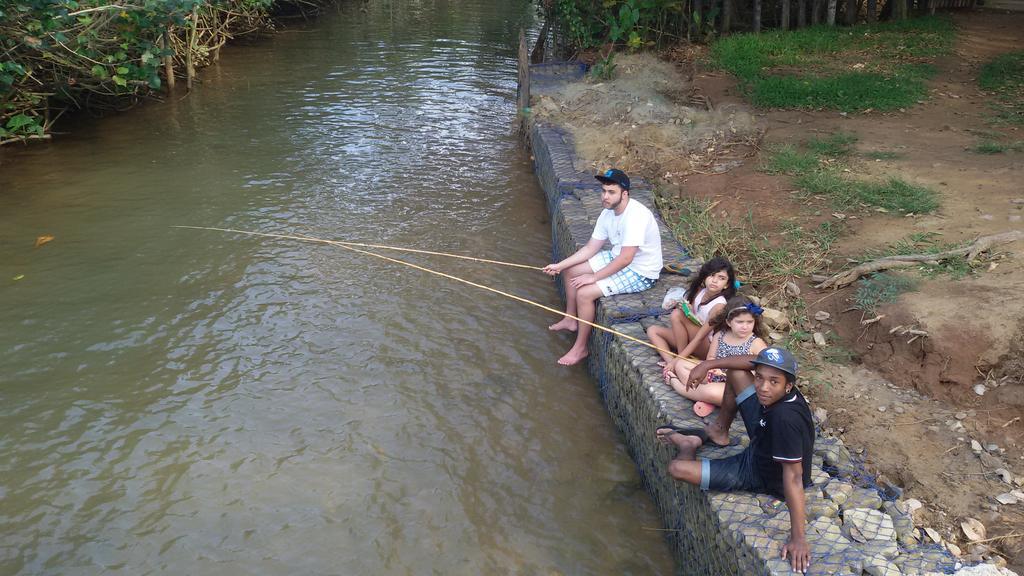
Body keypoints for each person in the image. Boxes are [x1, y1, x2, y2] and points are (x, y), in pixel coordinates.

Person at [654, 347, 814, 573]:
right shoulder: (778, 393)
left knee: (677, 468)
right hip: (761, 439)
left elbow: (794, 476)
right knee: (736, 372)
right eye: (759, 378)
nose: (763, 387)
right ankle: (719, 431)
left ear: (788, 385)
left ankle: (688, 445)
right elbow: (749, 363)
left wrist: (798, 538)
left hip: (758, 472)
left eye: (773, 382)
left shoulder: (784, 419)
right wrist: (707, 365)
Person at [544, 169, 663, 366]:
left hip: (641, 271)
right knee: (571, 271)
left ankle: (581, 348)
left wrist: (594, 277)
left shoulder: (636, 216)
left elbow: (626, 259)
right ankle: (570, 318)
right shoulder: (607, 213)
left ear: (625, 193)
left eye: (611, 192)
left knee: (584, 293)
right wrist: (559, 265)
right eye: (603, 191)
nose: (605, 196)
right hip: (618, 257)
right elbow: (591, 247)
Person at [664, 295, 768, 416]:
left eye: (749, 322)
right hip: (714, 375)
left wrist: (727, 374)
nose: (745, 326)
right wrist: (715, 370)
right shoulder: (720, 335)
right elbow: (711, 359)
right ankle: (704, 398)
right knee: (681, 364)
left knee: (711, 392)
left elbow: (762, 371)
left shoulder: (756, 343)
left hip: (735, 387)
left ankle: (678, 385)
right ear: (729, 322)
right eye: (740, 322)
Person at [647, 257, 736, 370]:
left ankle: (680, 360)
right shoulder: (700, 292)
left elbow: (700, 337)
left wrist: (679, 359)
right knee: (653, 330)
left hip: (706, 345)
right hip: (688, 339)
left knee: (676, 314)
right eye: (712, 275)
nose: (714, 280)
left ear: (726, 285)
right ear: (704, 277)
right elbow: (693, 318)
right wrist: (687, 310)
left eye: (721, 278)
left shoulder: (719, 306)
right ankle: (671, 362)